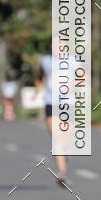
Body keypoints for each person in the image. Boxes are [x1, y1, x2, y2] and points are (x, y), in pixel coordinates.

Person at [36, 49, 68, 186]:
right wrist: (38, 88)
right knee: (57, 138)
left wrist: (71, 86)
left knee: (65, 139)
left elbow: (83, 76)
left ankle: (64, 156)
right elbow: (38, 77)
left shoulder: (72, 60)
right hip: (51, 103)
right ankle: (62, 173)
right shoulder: (45, 61)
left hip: (68, 104)